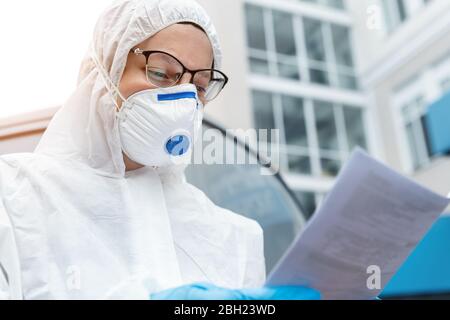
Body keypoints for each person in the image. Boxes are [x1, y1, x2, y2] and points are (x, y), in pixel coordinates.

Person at [0, 0, 320, 300]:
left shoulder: (235, 236)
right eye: (161, 73)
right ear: (104, 71)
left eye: (199, 86)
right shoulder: (15, 197)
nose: (183, 100)